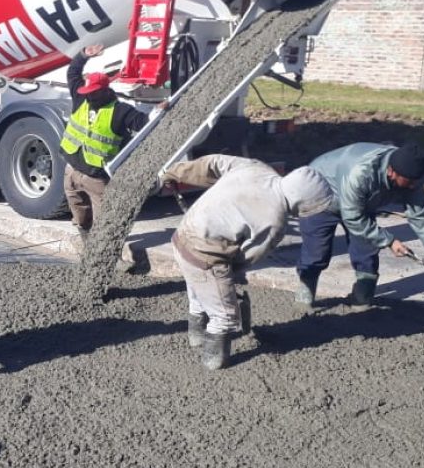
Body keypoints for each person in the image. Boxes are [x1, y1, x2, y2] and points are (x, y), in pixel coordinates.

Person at [164, 155, 334, 370]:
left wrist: (176, 172)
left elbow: (214, 163)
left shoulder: (256, 168)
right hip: (204, 254)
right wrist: (227, 279)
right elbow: (248, 256)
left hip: (182, 236)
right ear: (303, 202)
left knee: (201, 290)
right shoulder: (275, 220)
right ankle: (214, 363)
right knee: (224, 316)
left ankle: (196, 337)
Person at [295, 142, 424, 308]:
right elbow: (353, 218)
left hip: (359, 203)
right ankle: (305, 294)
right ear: (391, 172)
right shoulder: (361, 173)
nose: (413, 186)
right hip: (319, 194)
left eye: (415, 182)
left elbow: (421, 216)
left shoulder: (409, 174)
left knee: (366, 250)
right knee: (316, 252)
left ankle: (362, 298)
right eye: (409, 182)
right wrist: (389, 241)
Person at [60, 44, 151, 243]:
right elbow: (73, 72)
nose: (89, 95)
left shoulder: (120, 111)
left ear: (103, 91)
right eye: (88, 91)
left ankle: (106, 256)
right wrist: (83, 55)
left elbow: (144, 123)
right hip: (72, 172)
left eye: (93, 92)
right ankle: (87, 246)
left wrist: (159, 112)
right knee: (81, 218)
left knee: (105, 225)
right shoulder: (80, 97)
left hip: (96, 179)